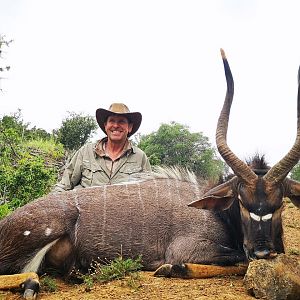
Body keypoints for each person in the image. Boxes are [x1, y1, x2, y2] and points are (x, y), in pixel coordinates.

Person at [53, 103, 151, 192]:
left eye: (121, 121)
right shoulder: (86, 152)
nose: (116, 125)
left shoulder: (140, 157)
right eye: (112, 121)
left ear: (129, 127)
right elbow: (64, 186)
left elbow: (148, 193)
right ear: (105, 125)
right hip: (85, 210)